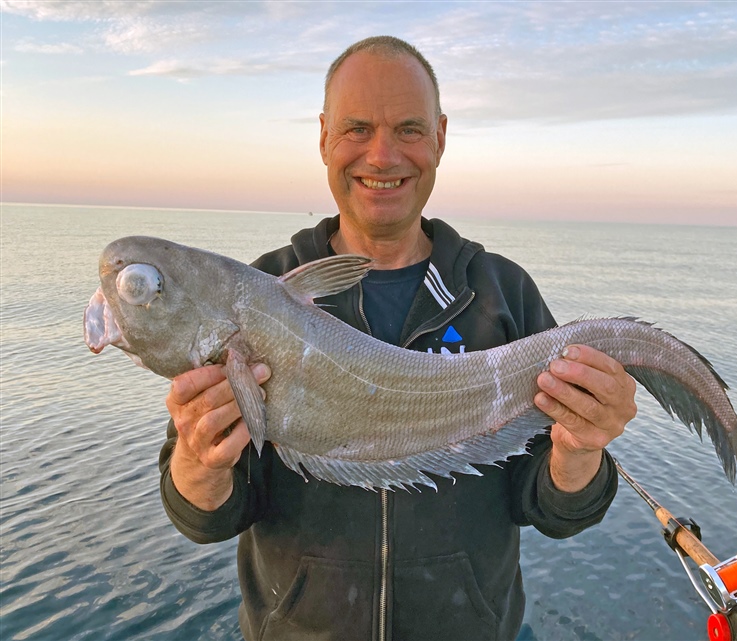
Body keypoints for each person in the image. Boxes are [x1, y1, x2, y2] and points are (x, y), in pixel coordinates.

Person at [159, 36, 637, 641]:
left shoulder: (502, 293)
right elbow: (206, 517)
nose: (382, 156)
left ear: (439, 137)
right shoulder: (259, 292)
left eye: (408, 129)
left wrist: (581, 449)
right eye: (357, 128)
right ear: (325, 138)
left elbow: (551, 507)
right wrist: (198, 459)